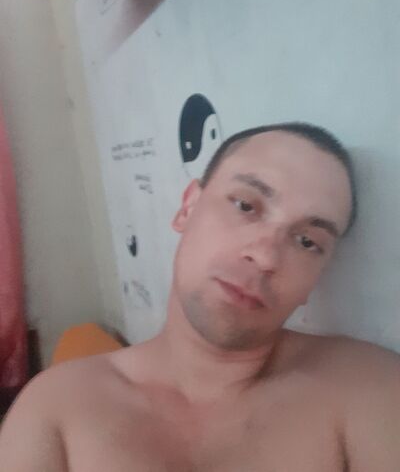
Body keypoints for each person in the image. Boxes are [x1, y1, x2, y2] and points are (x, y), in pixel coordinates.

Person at [0, 122, 399, 471]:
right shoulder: (57, 406)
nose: (265, 257)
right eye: (246, 205)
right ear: (187, 208)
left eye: (307, 242)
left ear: (315, 281)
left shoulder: (368, 389)